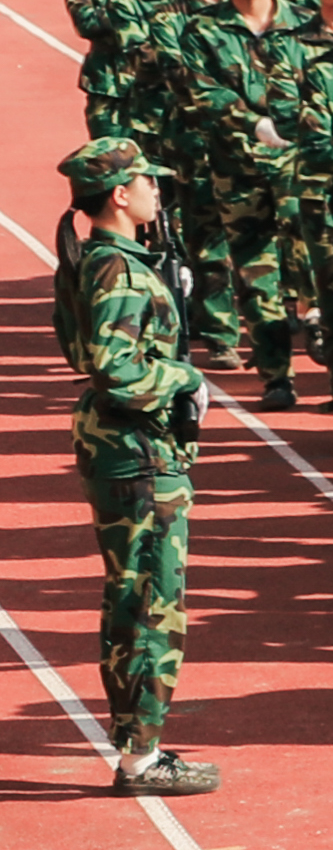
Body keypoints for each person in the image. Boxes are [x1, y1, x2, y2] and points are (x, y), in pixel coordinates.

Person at [55, 138, 211, 789]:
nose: (158, 191)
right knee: (149, 600)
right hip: (139, 452)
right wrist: (182, 375)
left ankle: (137, 741)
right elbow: (115, 370)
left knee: (133, 594)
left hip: (127, 450)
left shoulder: (101, 260)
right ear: (120, 194)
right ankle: (141, 752)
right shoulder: (118, 271)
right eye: (148, 181)